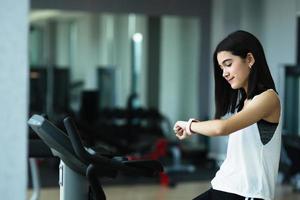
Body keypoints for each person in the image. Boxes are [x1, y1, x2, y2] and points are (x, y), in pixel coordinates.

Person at [173, 30, 281, 200]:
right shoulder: (246, 103)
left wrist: (190, 126)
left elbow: (222, 128)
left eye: (228, 64)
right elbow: (222, 126)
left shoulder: (268, 98)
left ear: (250, 59)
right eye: (221, 67)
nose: (224, 73)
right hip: (223, 187)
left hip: (248, 194)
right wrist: (196, 125)